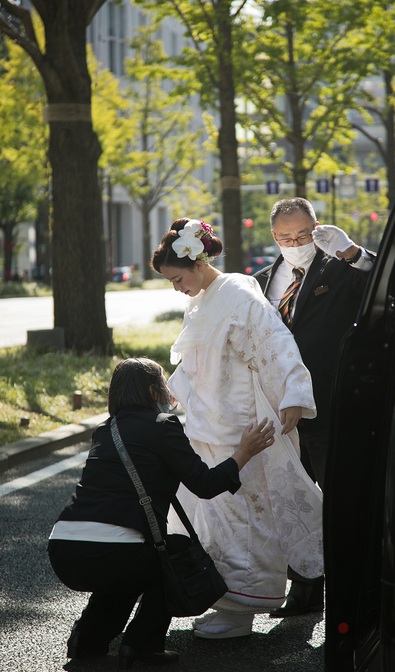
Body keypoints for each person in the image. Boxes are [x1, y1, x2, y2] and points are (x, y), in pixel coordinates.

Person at [151, 217, 324, 640]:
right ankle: (224, 600)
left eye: (177, 278)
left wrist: (294, 393)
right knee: (214, 517)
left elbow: (275, 341)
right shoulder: (205, 298)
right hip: (210, 423)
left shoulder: (238, 294)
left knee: (245, 519)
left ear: (196, 264)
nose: (177, 288)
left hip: (240, 427)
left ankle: (242, 607)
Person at [47, 357, 275, 669]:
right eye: (165, 386)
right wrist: (244, 451)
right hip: (113, 553)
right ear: (154, 394)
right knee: (170, 555)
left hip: (63, 551)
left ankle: (87, 641)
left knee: (126, 567)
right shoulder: (163, 426)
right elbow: (204, 484)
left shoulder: (105, 430)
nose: (169, 393)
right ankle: (142, 645)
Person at [254, 197, 374, 618]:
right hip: (281, 413)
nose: (295, 242)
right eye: (286, 237)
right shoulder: (262, 280)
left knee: (339, 499)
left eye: (303, 235)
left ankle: (352, 592)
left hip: (330, 404)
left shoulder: (339, 268)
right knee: (292, 501)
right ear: (274, 237)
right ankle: (305, 592)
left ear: (317, 228)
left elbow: (386, 283)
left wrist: (351, 252)